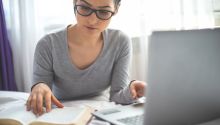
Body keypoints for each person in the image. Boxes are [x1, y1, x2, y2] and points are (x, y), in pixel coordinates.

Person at [26, 0, 146, 115]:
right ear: (74, 2)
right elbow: (41, 92)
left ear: (116, 10)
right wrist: (39, 87)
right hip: (61, 112)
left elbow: (117, 97)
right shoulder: (48, 44)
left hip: (100, 111)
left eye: (103, 12)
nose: (92, 20)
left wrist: (132, 90)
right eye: (84, 7)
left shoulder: (120, 42)